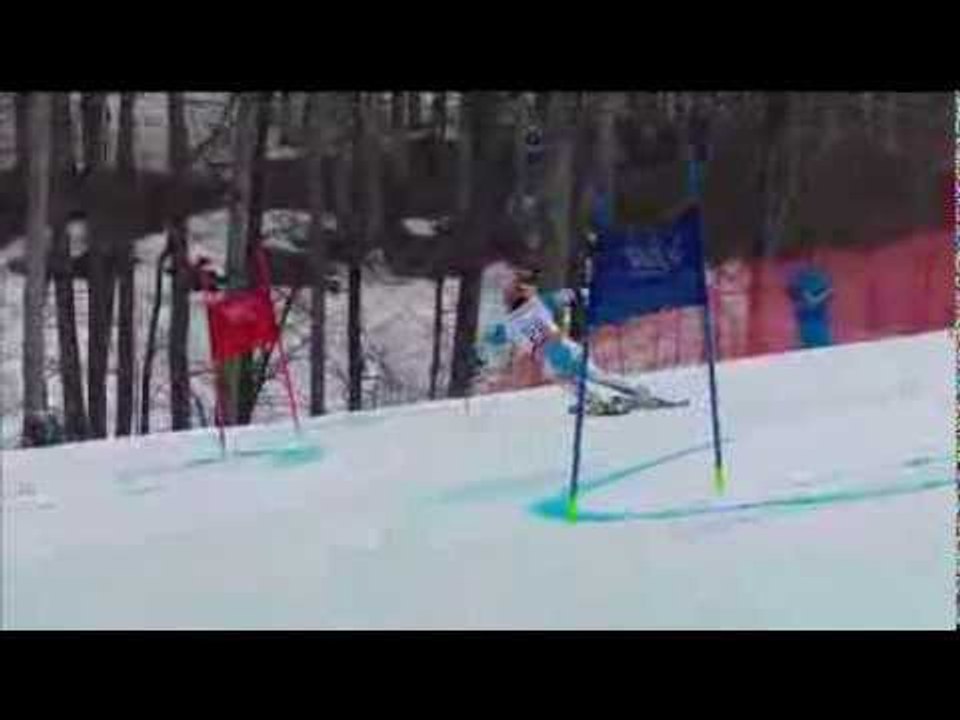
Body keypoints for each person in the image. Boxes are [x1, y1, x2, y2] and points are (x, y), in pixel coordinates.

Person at [476, 268, 663, 413]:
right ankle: (627, 394)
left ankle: (596, 400)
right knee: (591, 375)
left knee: (569, 378)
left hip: (552, 354)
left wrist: (482, 344)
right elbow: (569, 295)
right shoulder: (539, 302)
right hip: (563, 349)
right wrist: (589, 293)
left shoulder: (510, 323)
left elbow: (492, 338)